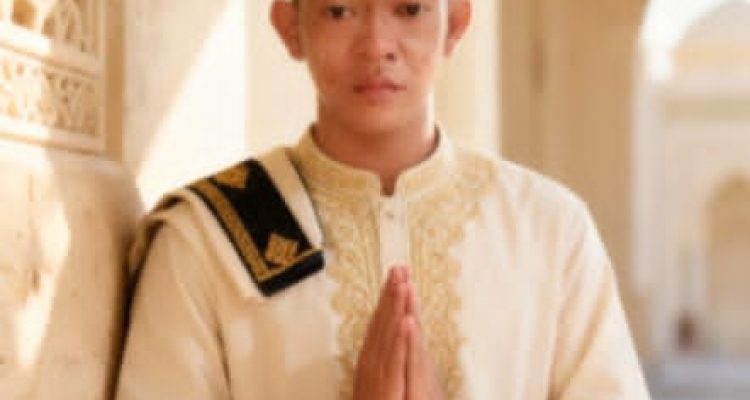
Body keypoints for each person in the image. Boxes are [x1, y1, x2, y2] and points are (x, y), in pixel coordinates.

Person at [116, 0, 651, 398]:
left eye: (409, 9)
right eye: (339, 10)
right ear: (289, 24)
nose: (376, 45)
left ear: (455, 23)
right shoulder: (206, 241)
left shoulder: (549, 231)